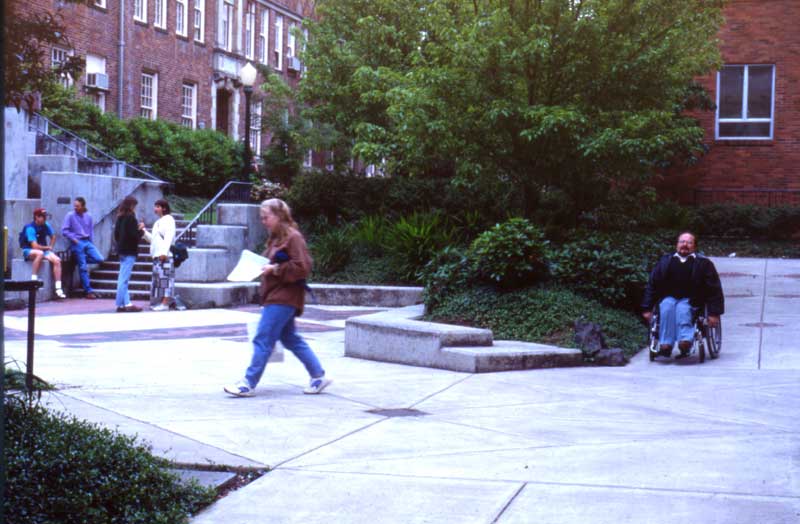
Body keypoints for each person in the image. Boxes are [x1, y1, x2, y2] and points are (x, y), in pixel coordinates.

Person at [224, 198, 331, 397]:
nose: (263, 221)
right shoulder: (277, 238)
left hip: (284, 297)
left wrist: (275, 268)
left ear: (279, 215)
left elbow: (303, 267)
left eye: (266, 217)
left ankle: (248, 383)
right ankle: (318, 376)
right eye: (261, 218)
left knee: (263, 338)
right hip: (278, 295)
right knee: (290, 338)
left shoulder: (293, 237)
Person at [642, 231, 724, 359]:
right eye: (682, 242)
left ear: (694, 247)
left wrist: (714, 313)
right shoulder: (665, 261)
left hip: (692, 299)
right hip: (669, 297)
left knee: (683, 309)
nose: (685, 245)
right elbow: (652, 285)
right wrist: (647, 308)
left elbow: (714, 289)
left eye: (689, 242)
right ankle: (666, 344)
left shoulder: (704, 264)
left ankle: (685, 342)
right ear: (676, 245)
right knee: (666, 307)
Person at [61, 197, 105, 299]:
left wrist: (91, 243)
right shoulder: (70, 215)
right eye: (74, 206)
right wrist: (74, 239)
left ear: (83, 206)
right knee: (83, 268)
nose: (75, 208)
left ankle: (79, 261)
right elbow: (64, 230)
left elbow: (90, 231)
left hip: (87, 241)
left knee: (99, 258)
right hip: (77, 242)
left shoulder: (88, 216)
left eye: (77, 206)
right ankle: (88, 291)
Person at [20, 208, 67, 299]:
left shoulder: (46, 225)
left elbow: (53, 236)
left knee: (57, 260)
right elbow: (34, 246)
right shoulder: (30, 228)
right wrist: (47, 247)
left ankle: (58, 288)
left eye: (45, 217)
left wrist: (50, 247)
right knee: (40, 253)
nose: (45, 219)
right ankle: (33, 279)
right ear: (36, 217)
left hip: (43, 250)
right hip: (28, 250)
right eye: (43, 217)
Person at [142, 199, 176, 311]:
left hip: (164, 256)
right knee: (159, 280)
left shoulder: (169, 219)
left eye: (157, 206)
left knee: (165, 279)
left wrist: (164, 252)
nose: (155, 208)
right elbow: (154, 239)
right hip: (157, 255)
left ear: (164, 208)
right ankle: (162, 302)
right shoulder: (157, 222)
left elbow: (169, 237)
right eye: (155, 206)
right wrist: (144, 232)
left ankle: (165, 303)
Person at [113, 196, 143, 312]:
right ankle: (124, 304)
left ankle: (124, 303)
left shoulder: (119, 217)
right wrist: (140, 229)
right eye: (134, 206)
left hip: (121, 250)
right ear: (131, 206)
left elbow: (116, 234)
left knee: (122, 277)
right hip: (129, 251)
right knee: (124, 279)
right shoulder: (131, 218)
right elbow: (134, 236)